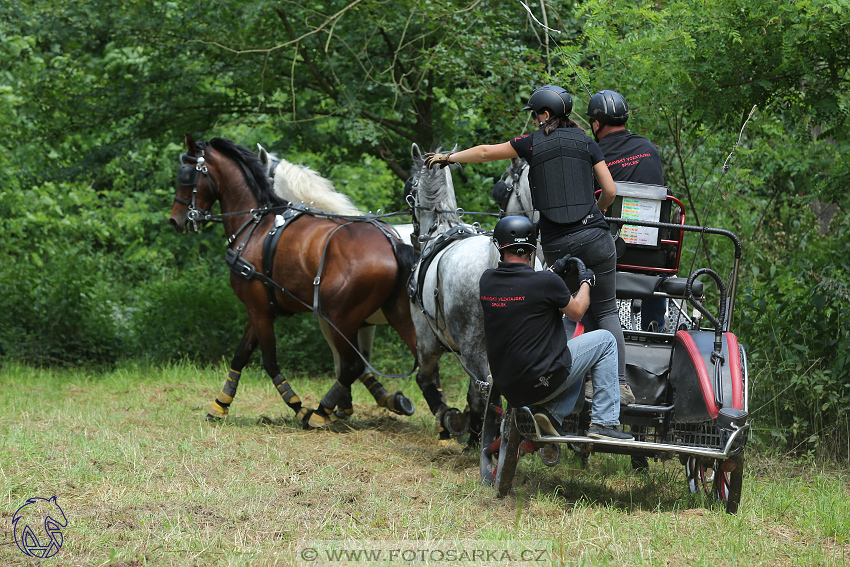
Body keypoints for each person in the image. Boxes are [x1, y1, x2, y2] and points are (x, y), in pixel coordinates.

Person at [424, 84, 635, 406]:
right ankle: (619, 385)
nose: (535, 120)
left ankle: (556, 385)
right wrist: (601, 211)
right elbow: (609, 189)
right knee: (605, 310)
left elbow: (484, 152)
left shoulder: (532, 143)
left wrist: (447, 158)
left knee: (563, 311)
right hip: (595, 236)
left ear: (545, 114)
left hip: (557, 242)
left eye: (536, 114)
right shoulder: (587, 142)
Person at [477, 216, 632, 440]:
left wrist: (552, 274)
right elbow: (578, 311)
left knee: (571, 349)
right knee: (605, 340)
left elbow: (526, 293)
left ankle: (551, 415)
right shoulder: (546, 284)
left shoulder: (487, 280)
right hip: (541, 382)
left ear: (500, 247)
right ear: (531, 249)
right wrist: (587, 282)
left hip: (508, 387)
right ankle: (604, 423)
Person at [587, 89, 667, 332]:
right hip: (653, 255)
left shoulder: (594, 154)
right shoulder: (650, 149)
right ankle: (654, 325)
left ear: (597, 124)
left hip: (610, 253)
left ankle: (590, 328)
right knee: (656, 266)